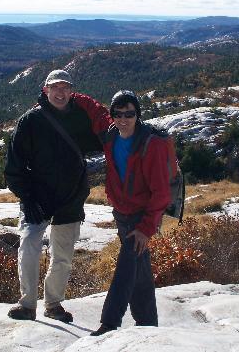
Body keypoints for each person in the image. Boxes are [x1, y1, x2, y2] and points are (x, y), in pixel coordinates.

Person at [4, 69, 103, 323]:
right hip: (38, 198)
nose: (60, 93)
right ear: (45, 90)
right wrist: (27, 198)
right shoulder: (30, 121)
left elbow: (104, 138)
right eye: (54, 88)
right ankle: (27, 304)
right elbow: (14, 168)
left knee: (63, 256)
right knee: (28, 248)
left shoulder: (80, 118)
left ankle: (53, 304)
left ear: (72, 92)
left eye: (65, 88)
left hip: (70, 198)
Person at [73, 90, 171, 336]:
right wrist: (67, 93)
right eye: (118, 114)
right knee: (140, 269)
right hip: (122, 213)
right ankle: (148, 322)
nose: (124, 119)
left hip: (141, 217)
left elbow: (161, 193)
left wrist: (146, 228)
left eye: (130, 114)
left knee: (127, 266)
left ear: (138, 115)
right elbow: (95, 109)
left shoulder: (152, 144)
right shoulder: (111, 134)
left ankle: (110, 322)